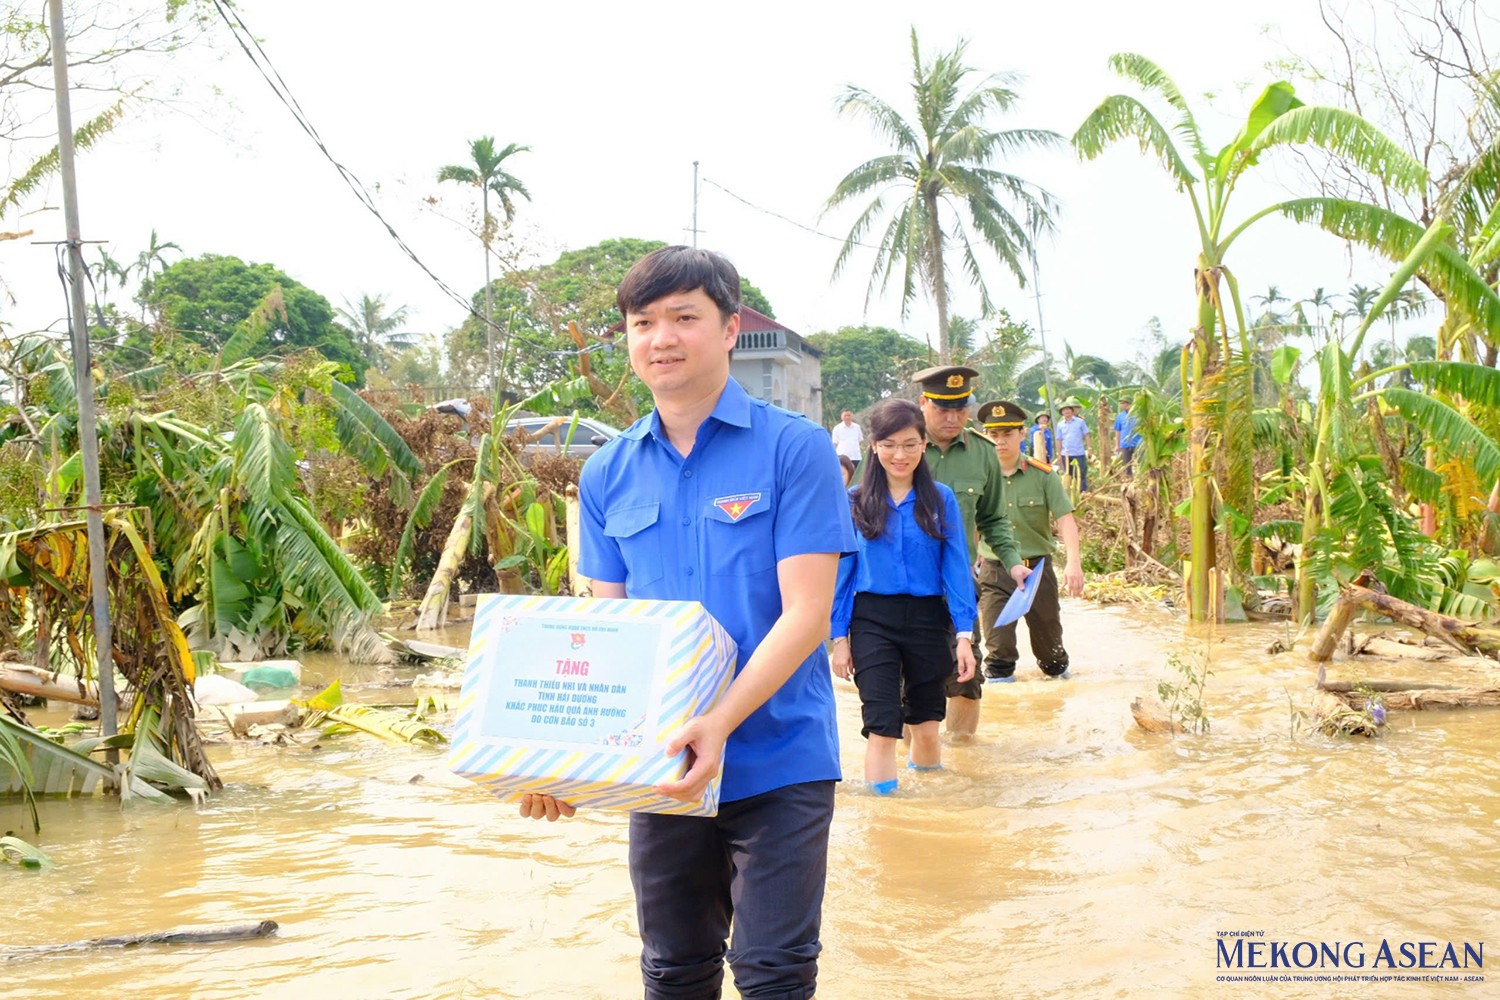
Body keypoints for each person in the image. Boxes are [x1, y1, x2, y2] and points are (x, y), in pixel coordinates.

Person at [521, 246, 856, 1000]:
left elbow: (807, 613)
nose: (661, 338)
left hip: (781, 759)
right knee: (673, 972)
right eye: (643, 322)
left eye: (683, 317)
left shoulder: (793, 449)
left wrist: (719, 722)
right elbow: (610, 637)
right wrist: (569, 766)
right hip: (663, 771)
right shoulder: (606, 472)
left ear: (731, 328)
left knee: (773, 973)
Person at [829, 398, 977, 793]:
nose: (900, 454)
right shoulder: (855, 501)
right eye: (890, 444)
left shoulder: (940, 498)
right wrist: (839, 639)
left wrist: (965, 635)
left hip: (929, 620)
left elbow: (956, 567)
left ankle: (928, 814)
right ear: (873, 447)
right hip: (872, 619)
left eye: (910, 444)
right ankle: (884, 821)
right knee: (881, 726)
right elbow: (842, 575)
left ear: (923, 445)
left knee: (926, 726)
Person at [909, 365, 1028, 736]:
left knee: (965, 677)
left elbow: (993, 519)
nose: (953, 418)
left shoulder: (983, 453)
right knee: (904, 684)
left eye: (960, 409)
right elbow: (860, 514)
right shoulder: (897, 446)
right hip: (899, 587)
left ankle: (963, 764)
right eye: (943, 408)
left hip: (956, 587)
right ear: (923, 403)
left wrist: (1012, 564)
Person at [975, 400, 1085, 681]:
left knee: (1051, 655)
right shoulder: (978, 478)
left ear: (1022, 434)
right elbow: (970, 524)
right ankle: (1005, 711)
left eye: (1007, 434)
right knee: (998, 652)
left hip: (1037, 571)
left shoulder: (1043, 475)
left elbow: (1065, 519)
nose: (1000, 442)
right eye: (993, 435)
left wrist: (1074, 564)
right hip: (995, 570)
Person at [1057, 396, 1091, 492]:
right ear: (1062, 413)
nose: (1066, 412)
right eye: (1064, 410)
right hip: (1066, 454)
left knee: (1081, 474)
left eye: (1068, 410)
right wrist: (1058, 454)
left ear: (1072, 411)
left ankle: (1083, 493)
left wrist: (1089, 448)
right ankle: (1071, 495)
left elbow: (1087, 435)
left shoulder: (1080, 422)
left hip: (1078, 452)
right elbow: (1059, 440)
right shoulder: (1060, 425)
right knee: (1068, 475)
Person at [1113, 396, 1142, 477]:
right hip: (1125, 444)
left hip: (1138, 443)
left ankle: (1142, 480)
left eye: (1123, 403)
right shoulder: (1120, 416)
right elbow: (1118, 431)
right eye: (1121, 403)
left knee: (1141, 463)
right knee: (1127, 466)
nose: (1121, 405)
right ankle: (1129, 481)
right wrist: (1117, 445)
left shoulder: (1138, 414)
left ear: (1129, 404)